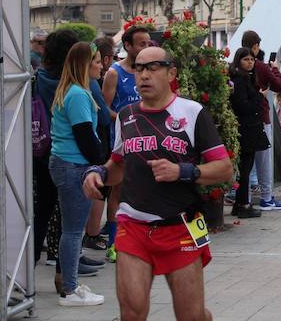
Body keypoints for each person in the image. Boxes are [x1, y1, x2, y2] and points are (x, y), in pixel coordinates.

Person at [81, 46, 233, 321]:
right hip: (134, 226)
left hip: (180, 227)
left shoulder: (192, 112)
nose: (144, 75)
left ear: (171, 72)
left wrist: (183, 171)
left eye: (153, 68)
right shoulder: (126, 115)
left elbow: (224, 169)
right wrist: (99, 174)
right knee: (132, 312)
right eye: (139, 68)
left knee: (191, 316)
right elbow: (118, 165)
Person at [49, 42, 107, 306]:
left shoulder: (72, 92)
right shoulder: (78, 95)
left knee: (70, 229)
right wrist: (103, 163)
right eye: (96, 60)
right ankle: (70, 290)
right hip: (73, 166)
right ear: (85, 64)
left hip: (67, 163)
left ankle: (70, 284)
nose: (101, 64)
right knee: (73, 231)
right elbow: (85, 137)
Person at [101, 25, 150, 259]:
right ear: (127, 45)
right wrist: (125, 119)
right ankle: (114, 243)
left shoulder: (149, 72)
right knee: (118, 193)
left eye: (148, 43)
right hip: (122, 143)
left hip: (149, 142)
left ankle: (141, 240)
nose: (145, 47)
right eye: (141, 43)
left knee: (144, 191)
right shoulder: (114, 73)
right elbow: (104, 108)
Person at [34, 29, 77, 282]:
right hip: (68, 151)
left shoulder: (36, 78)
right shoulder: (74, 82)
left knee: (42, 209)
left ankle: (27, 270)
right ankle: (64, 274)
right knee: (68, 215)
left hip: (40, 149)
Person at [240, 30, 281, 211]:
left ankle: (245, 199)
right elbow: (279, 86)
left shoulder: (235, 66)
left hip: (242, 120)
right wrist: (274, 68)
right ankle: (266, 197)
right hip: (260, 118)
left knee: (246, 162)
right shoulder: (260, 66)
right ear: (256, 46)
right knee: (263, 160)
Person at [82, 37, 118, 256]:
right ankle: (92, 235)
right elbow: (103, 116)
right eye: (97, 61)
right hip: (95, 146)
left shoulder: (83, 85)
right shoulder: (89, 85)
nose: (102, 65)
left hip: (93, 146)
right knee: (99, 188)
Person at [229, 48, 272, 217]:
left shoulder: (244, 79)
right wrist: (259, 97)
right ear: (238, 61)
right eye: (246, 59)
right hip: (247, 129)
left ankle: (240, 203)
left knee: (245, 169)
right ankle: (243, 205)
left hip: (247, 128)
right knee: (245, 169)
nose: (250, 62)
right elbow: (243, 106)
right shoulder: (240, 81)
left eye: (252, 59)